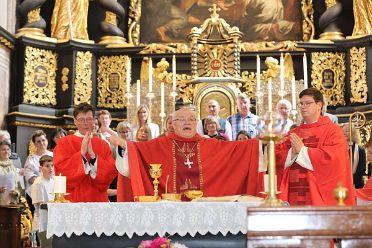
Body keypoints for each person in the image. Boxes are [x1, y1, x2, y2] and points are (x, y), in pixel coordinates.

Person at [108, 107, 260, 202]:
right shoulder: (159, 144)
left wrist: (262, 142)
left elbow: (238, 150)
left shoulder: (210, 144)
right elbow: (138, 151)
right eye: (181, 120)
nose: (187, 123)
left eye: (191, 119)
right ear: (173, 124)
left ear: (196, 123)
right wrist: (125, 145)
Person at [275, 88, 355, 206]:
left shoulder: (333, 131)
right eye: (301, 103)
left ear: (319, 105)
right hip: (292, 195)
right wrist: (292, 153)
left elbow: (334, 159)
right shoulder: (294, 133)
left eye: (308, 103)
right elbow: (277, 157)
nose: (303, 107)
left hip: (318, 198)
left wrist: (302, 151)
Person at [53, 103, 117, 202]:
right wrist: (81, 154)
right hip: (73, 199)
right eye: (81, 119)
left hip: (97, 198)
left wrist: (93, 157)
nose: (86, 123)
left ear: (94, 120)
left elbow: (110, 173)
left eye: (89, 119)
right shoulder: (64, 143)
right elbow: (61, 170)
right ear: (75, 121)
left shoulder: (103, 144)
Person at [31, 155, 54, 248]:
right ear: (40, 168)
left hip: (52, 219)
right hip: (43, 221)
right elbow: (40, 204)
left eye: (52, 165)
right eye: (47, 166)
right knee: (47, 245)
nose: (50, 168)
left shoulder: (52, 181)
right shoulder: (38, 183)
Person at [24, 130, 53, 202]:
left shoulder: (54, 155)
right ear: (35, 144)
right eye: (38, 141)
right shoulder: (31, 159)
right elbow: (30, 177)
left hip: (53, 191)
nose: (42, 143)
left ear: (47, 141)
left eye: (43, 140)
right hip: (36, 193)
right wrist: (44, 183)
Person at [341, 123, 366, 189]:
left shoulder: (360, 150)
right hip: (340, 183)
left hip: (356, 183)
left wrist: (350, 179)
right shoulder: (337, 149)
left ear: (353, 133)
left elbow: (362, 169)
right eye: (342, 131)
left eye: (347, 131)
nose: (344, 133)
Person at [0, 140, 21, 205]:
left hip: (12, 204)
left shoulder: (13, 166)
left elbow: (19, 187)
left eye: (8, 149)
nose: (6, 152)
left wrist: (16, 192)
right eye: (3, 149)